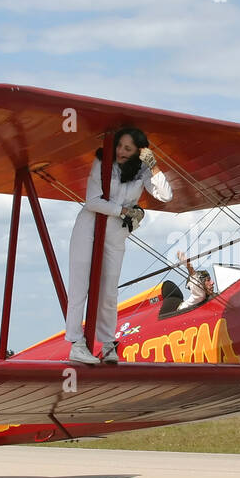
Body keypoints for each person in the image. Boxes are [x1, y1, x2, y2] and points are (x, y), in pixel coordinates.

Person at [67, 127, 172, 363]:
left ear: (138, 151)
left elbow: (166, 196)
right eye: (119, 146)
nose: (121, 151)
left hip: (116, 233)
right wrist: (124, 210)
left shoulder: (142, 170)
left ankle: (106, 344)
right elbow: (93, 201)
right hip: (90, 227)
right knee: (79, 285)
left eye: (127, 148)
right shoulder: (101, 162)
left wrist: (153, 164)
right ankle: (76, 343)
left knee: (109, 290)